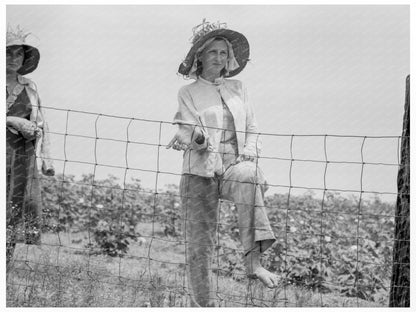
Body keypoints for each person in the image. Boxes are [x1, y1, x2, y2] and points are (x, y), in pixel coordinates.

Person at [167, 20, 280, 307]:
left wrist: (251, 152)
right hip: (199, 171)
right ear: (200, 57)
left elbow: (253, 127)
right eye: (213, 52)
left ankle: (253, 263)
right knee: (200, 243)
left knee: (250, 175)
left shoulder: (238, 88)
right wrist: (194, 137)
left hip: (234, 165)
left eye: (223, 52)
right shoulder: (188, 93)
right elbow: (190, 130)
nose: (219, 57)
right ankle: (205, 304)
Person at [6, 26, 54, 266]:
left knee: (13, 214)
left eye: (19, 54)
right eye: (8, 53)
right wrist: (11, 120)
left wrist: (47, 156)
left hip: (22, 157)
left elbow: (42, 122)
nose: (14, 59)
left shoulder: (30, 87)